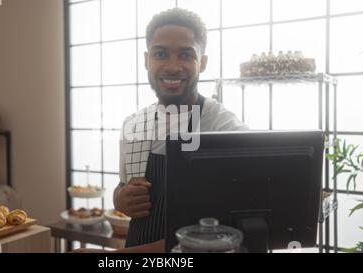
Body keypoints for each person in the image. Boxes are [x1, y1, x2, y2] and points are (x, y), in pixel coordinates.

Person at [75, 7, 247, 253]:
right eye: (161, 54)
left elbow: (235, 225)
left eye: (186, 55)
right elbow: (123, 186)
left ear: (203, 62)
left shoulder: (223, 127)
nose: (173, 66)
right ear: (147, 60)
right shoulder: (134, 124)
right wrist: (120, 198)